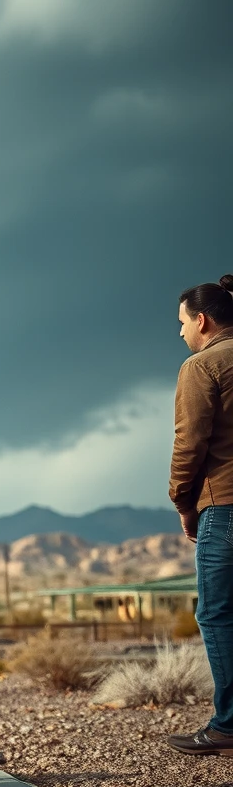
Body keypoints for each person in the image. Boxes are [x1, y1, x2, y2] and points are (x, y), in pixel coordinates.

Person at [166, 274, 233, 757]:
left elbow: (190, 443)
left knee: (217, 614)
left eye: (182, 323)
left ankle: (228, 725)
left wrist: (184, 504)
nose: (182, 333)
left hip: (225, 506)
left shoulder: (203, 365)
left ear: (202, 320)